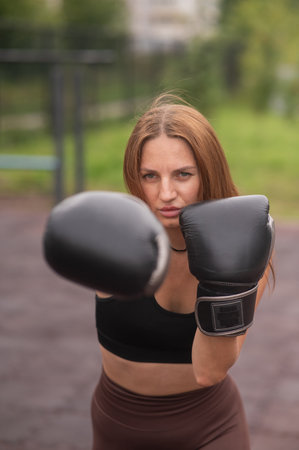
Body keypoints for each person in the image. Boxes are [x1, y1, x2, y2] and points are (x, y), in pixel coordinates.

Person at [43, 94, 275, 450]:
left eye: (183, 174)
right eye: (150, 176)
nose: (166, 193)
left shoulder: (241, 242)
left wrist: (224, 279)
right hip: (117, 423)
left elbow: (209, 371)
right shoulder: (118, 237)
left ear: (207, 172)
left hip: (210, 427)